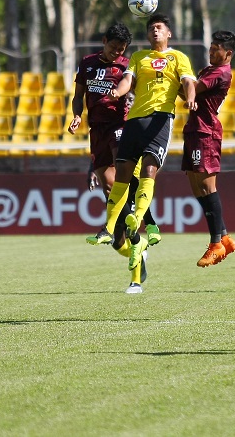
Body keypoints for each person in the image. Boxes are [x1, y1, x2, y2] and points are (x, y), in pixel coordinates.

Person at [68, 23, 161, 293]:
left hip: (122, 126)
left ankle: (141, 224)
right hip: (96, 131)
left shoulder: (127, 66)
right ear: (104, 40)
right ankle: (135, 247)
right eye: (113, 48)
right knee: (111, 194)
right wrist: (76, 115)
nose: (116, 53)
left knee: (124, 171)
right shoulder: (86, 64)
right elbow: (78, 96)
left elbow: (138, 90)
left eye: (121, 50)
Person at [103, 14, 197, 272]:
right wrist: (118, 92)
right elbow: (127, 80)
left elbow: (189, 81)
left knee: (150, 169)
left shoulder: (178, 58)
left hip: (160, 119)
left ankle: (140, 220)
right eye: (151, 28)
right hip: (134, 120)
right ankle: (124, 227)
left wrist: (190, 99)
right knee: (123, 172)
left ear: (169, 34)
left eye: (159, 28)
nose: (154, 31)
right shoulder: (138, 57)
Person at [183, 30, 235, 267]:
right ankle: (224, 237)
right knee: (196, 185)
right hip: (194, 129)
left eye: (216, 48)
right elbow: (191, 90)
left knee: (207, 187)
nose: (211, 51)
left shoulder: (221, 73)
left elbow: (193, 88)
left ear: (228, 53)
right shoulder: (210, 69)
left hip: (206, 132)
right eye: (210, 47)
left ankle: (216, 243)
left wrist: (185, 83)